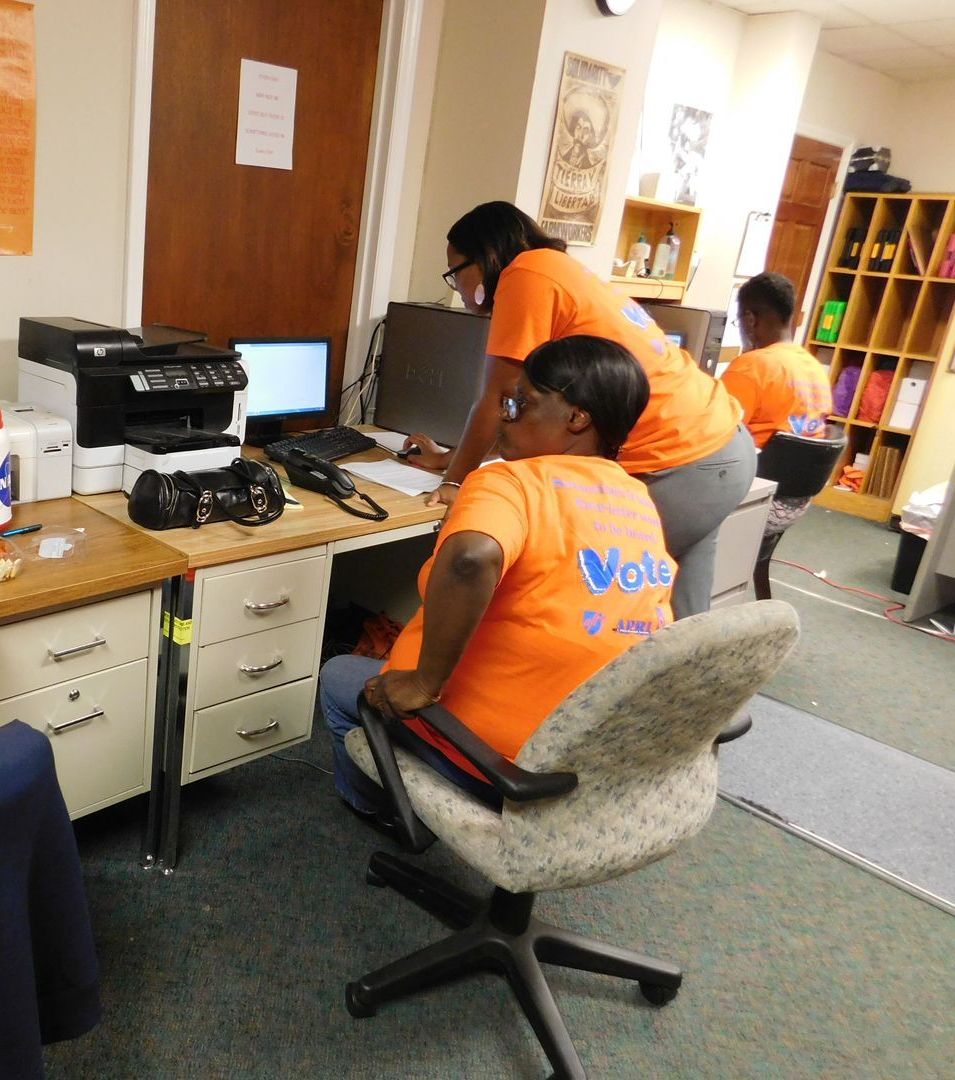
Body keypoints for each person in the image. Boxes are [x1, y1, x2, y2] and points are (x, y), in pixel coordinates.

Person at [322, 336, 673, 817]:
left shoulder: (510, 482)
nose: (504, 415)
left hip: (497, 761)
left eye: (521, 403)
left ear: (577, 418)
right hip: (590, 757)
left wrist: (423, 683)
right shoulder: (637, 499)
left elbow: (470, 559)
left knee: (339, 677)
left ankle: (381, 811)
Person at [406, 200, 754, 619]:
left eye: (455, 271)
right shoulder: (558, 269)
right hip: (723, 447)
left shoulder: (525, 274)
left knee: (590, 602)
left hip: (680, 459)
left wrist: (455, 482)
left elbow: (499, 399)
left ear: (487, 256)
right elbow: (519, 411)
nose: (457, 286)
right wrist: (451, 458)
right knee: (681, 619)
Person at [721, 271, 834, 536]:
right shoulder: (812, 366)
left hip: (753, 498)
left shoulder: (751, 366)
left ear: (750, 319)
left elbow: (715, 436)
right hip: (794, 501)